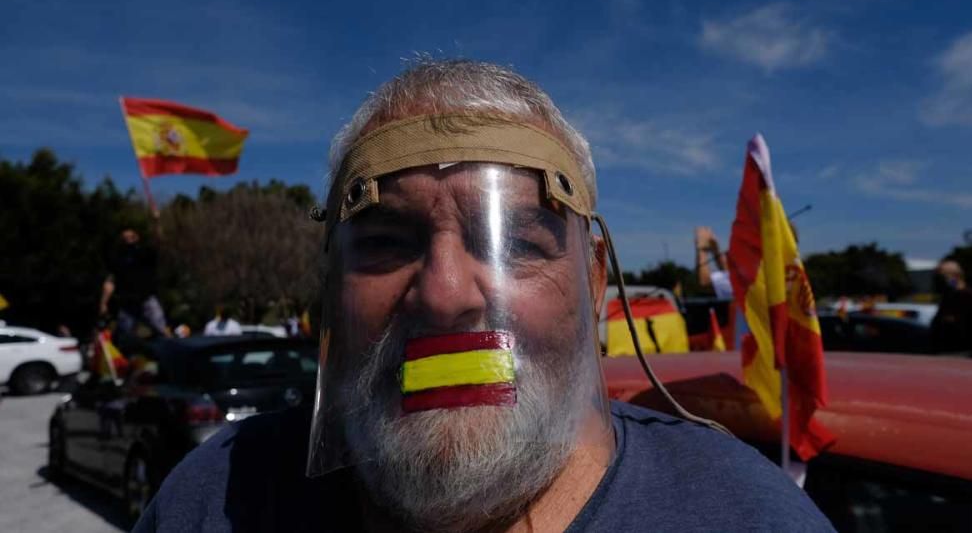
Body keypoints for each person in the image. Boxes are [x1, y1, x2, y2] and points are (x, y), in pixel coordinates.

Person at [136, 59, 832, 532]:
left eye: (518, 243)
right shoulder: (213, 499)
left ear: (594, 283)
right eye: (384, 241)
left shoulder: (744, 514)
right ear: (331, 285)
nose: (445, 294)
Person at [99, 228, 171, 339]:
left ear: (137, 237)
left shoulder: (144, 253)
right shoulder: (118, 258)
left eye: (131, 237)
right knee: (124, 335)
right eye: (125, 238)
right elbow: (110, 281)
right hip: (128, 304)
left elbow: (159, 242)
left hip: (146, 299)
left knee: (161, 329)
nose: (128, 239)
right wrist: (104, 302)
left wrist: (156, 222)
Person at [930, 259, 972, 354]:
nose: (937, 282)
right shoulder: (947, 300)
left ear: (955, 277)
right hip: (945, 357)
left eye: (940, 277)